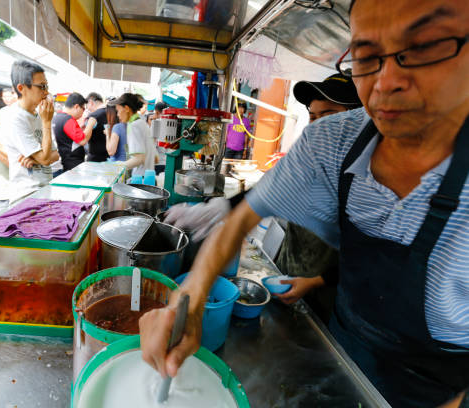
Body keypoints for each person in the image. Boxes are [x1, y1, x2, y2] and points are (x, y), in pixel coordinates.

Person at [139, 0, 469, 406]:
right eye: (366, 57)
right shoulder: (332, 142)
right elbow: (242, 217)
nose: (386, 81)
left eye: (422, 47)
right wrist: (190, 297)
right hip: (342, 352)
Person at [274, 73, 363, 321]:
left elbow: (366, 259)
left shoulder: (366, 180)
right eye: (312, 116)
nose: (316, 125)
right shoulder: (313, 163)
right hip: (285, 281)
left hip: (325, 303)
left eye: (328, 115)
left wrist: (315, 282)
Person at [0, 60, 58, 203]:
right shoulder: (15, 117)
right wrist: (47, 122)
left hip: (43, 190)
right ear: (21, 88)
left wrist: (36, 157)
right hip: (26, 196)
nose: (46, 92)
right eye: (41, 87)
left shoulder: (39, 114)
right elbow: (45, 158)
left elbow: (55, 155)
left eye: (47, 86)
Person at [110, 93, 155, 177]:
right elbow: (156, 158)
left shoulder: (134, 125)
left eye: (118, 110)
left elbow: (139, 159)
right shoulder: (142, 124)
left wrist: (117, 166)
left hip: (140, 178)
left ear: (126, 108)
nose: (117, 114)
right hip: (148, 176)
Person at [52, 92, 87, 172]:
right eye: (83, 109)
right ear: (76, 106)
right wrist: (90, 125)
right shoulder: (68, 119)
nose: (83, 112)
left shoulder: (57, 117)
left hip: (64, 161)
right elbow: (83, 140)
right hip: (72, 165)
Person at [83, 92, 108, 162]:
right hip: (111, 158)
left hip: (95, 158)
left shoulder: (93, 116)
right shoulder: (113, 112)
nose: (87, 108)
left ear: (90, 102)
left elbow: (84, 138)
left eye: (86, 105)